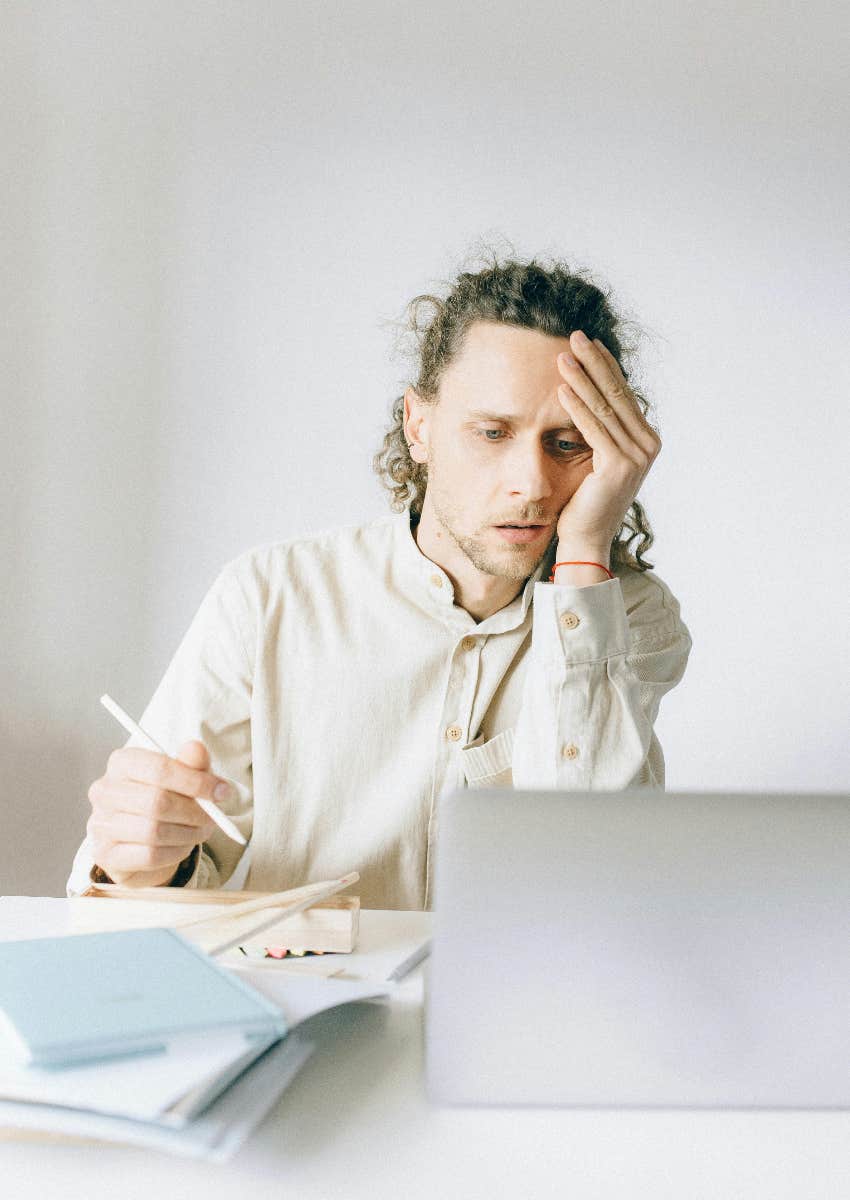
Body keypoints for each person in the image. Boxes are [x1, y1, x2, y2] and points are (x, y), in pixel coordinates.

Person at [67, 251, 693, 909]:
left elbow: (592, 880)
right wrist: (143, 862)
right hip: (307, 992)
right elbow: (132, 877)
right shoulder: (271, 596)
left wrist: (588, 547)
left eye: (567, 443)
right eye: (491, 431)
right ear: (418, 426)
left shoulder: (628, 619)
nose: (530, 483)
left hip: (527, 1002)